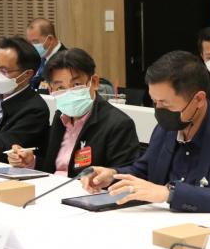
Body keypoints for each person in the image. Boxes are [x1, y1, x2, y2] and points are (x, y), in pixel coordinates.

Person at [81, 50, 210, 219]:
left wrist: (170, 194)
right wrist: (113, 175)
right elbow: (144, 171)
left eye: (165, 103)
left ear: (198, 99)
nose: (159, 110)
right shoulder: (165, 129)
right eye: (154, 102)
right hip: (160, 223)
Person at [7, 48, 140, 176]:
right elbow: (55, 168)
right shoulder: (60, 117)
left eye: (76, 85)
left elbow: (122, 176)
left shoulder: (118, 124)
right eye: (60, 87)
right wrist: (31, 162)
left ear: (94, 82)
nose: (69, 92)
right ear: (51, 90)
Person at [25, 18, 66, 90]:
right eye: (29, 42)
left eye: (35, 42)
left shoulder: (66, 61)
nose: (31, 46)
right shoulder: (33, 58)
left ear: (50, 39)